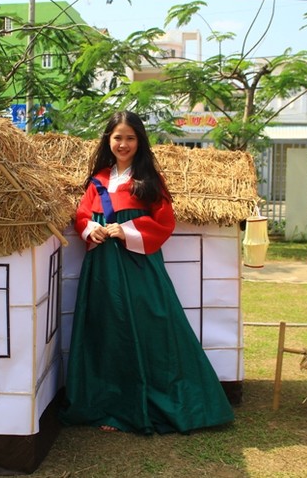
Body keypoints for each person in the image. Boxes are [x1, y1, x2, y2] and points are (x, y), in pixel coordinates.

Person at [60, 111, 234, 434]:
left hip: (139, 268)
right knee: (108, 333)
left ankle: (146, 403)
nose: (123, 144)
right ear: (108, 140)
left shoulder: (149, 180)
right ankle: (110, 406)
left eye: (130, 137)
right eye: (117, 137)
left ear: (139, 141)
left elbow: (164, 222)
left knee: (147, 329)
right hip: (102, 271)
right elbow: (82, 216)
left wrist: (125, 231)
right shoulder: (98, 180)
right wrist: (91, 230)